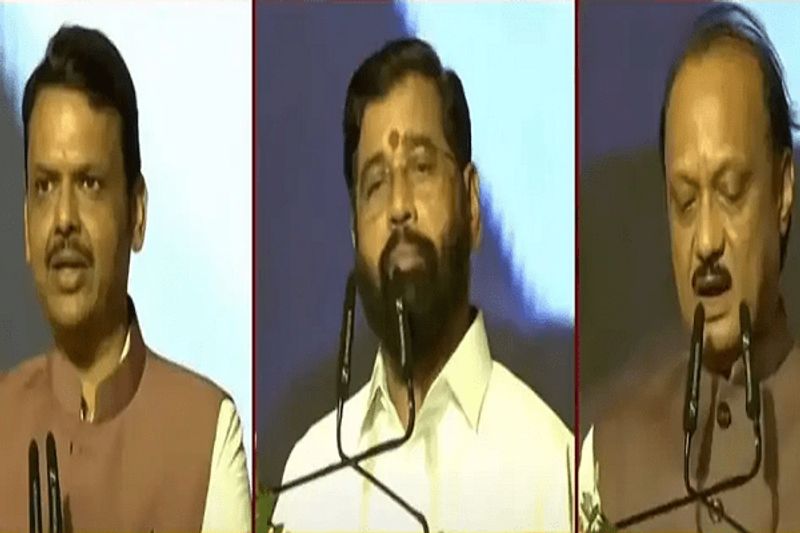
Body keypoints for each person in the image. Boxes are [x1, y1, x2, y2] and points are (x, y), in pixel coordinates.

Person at [272, 38, 573, 532]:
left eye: (421, 167)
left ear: (471, 204)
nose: (398, 206)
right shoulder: (310, 477)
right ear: (354, 232)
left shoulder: (552, 471)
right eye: (375, 184)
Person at [0, 25, 250, 532]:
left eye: (89, 183)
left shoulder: (206, 433)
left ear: (137, 213)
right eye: (45, 186)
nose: (63, 219)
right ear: (26, 225)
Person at [580, 4, 800, 531]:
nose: (705, 242)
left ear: (783, 189)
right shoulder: (608, 452)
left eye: (731, 191)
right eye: (684, 201)